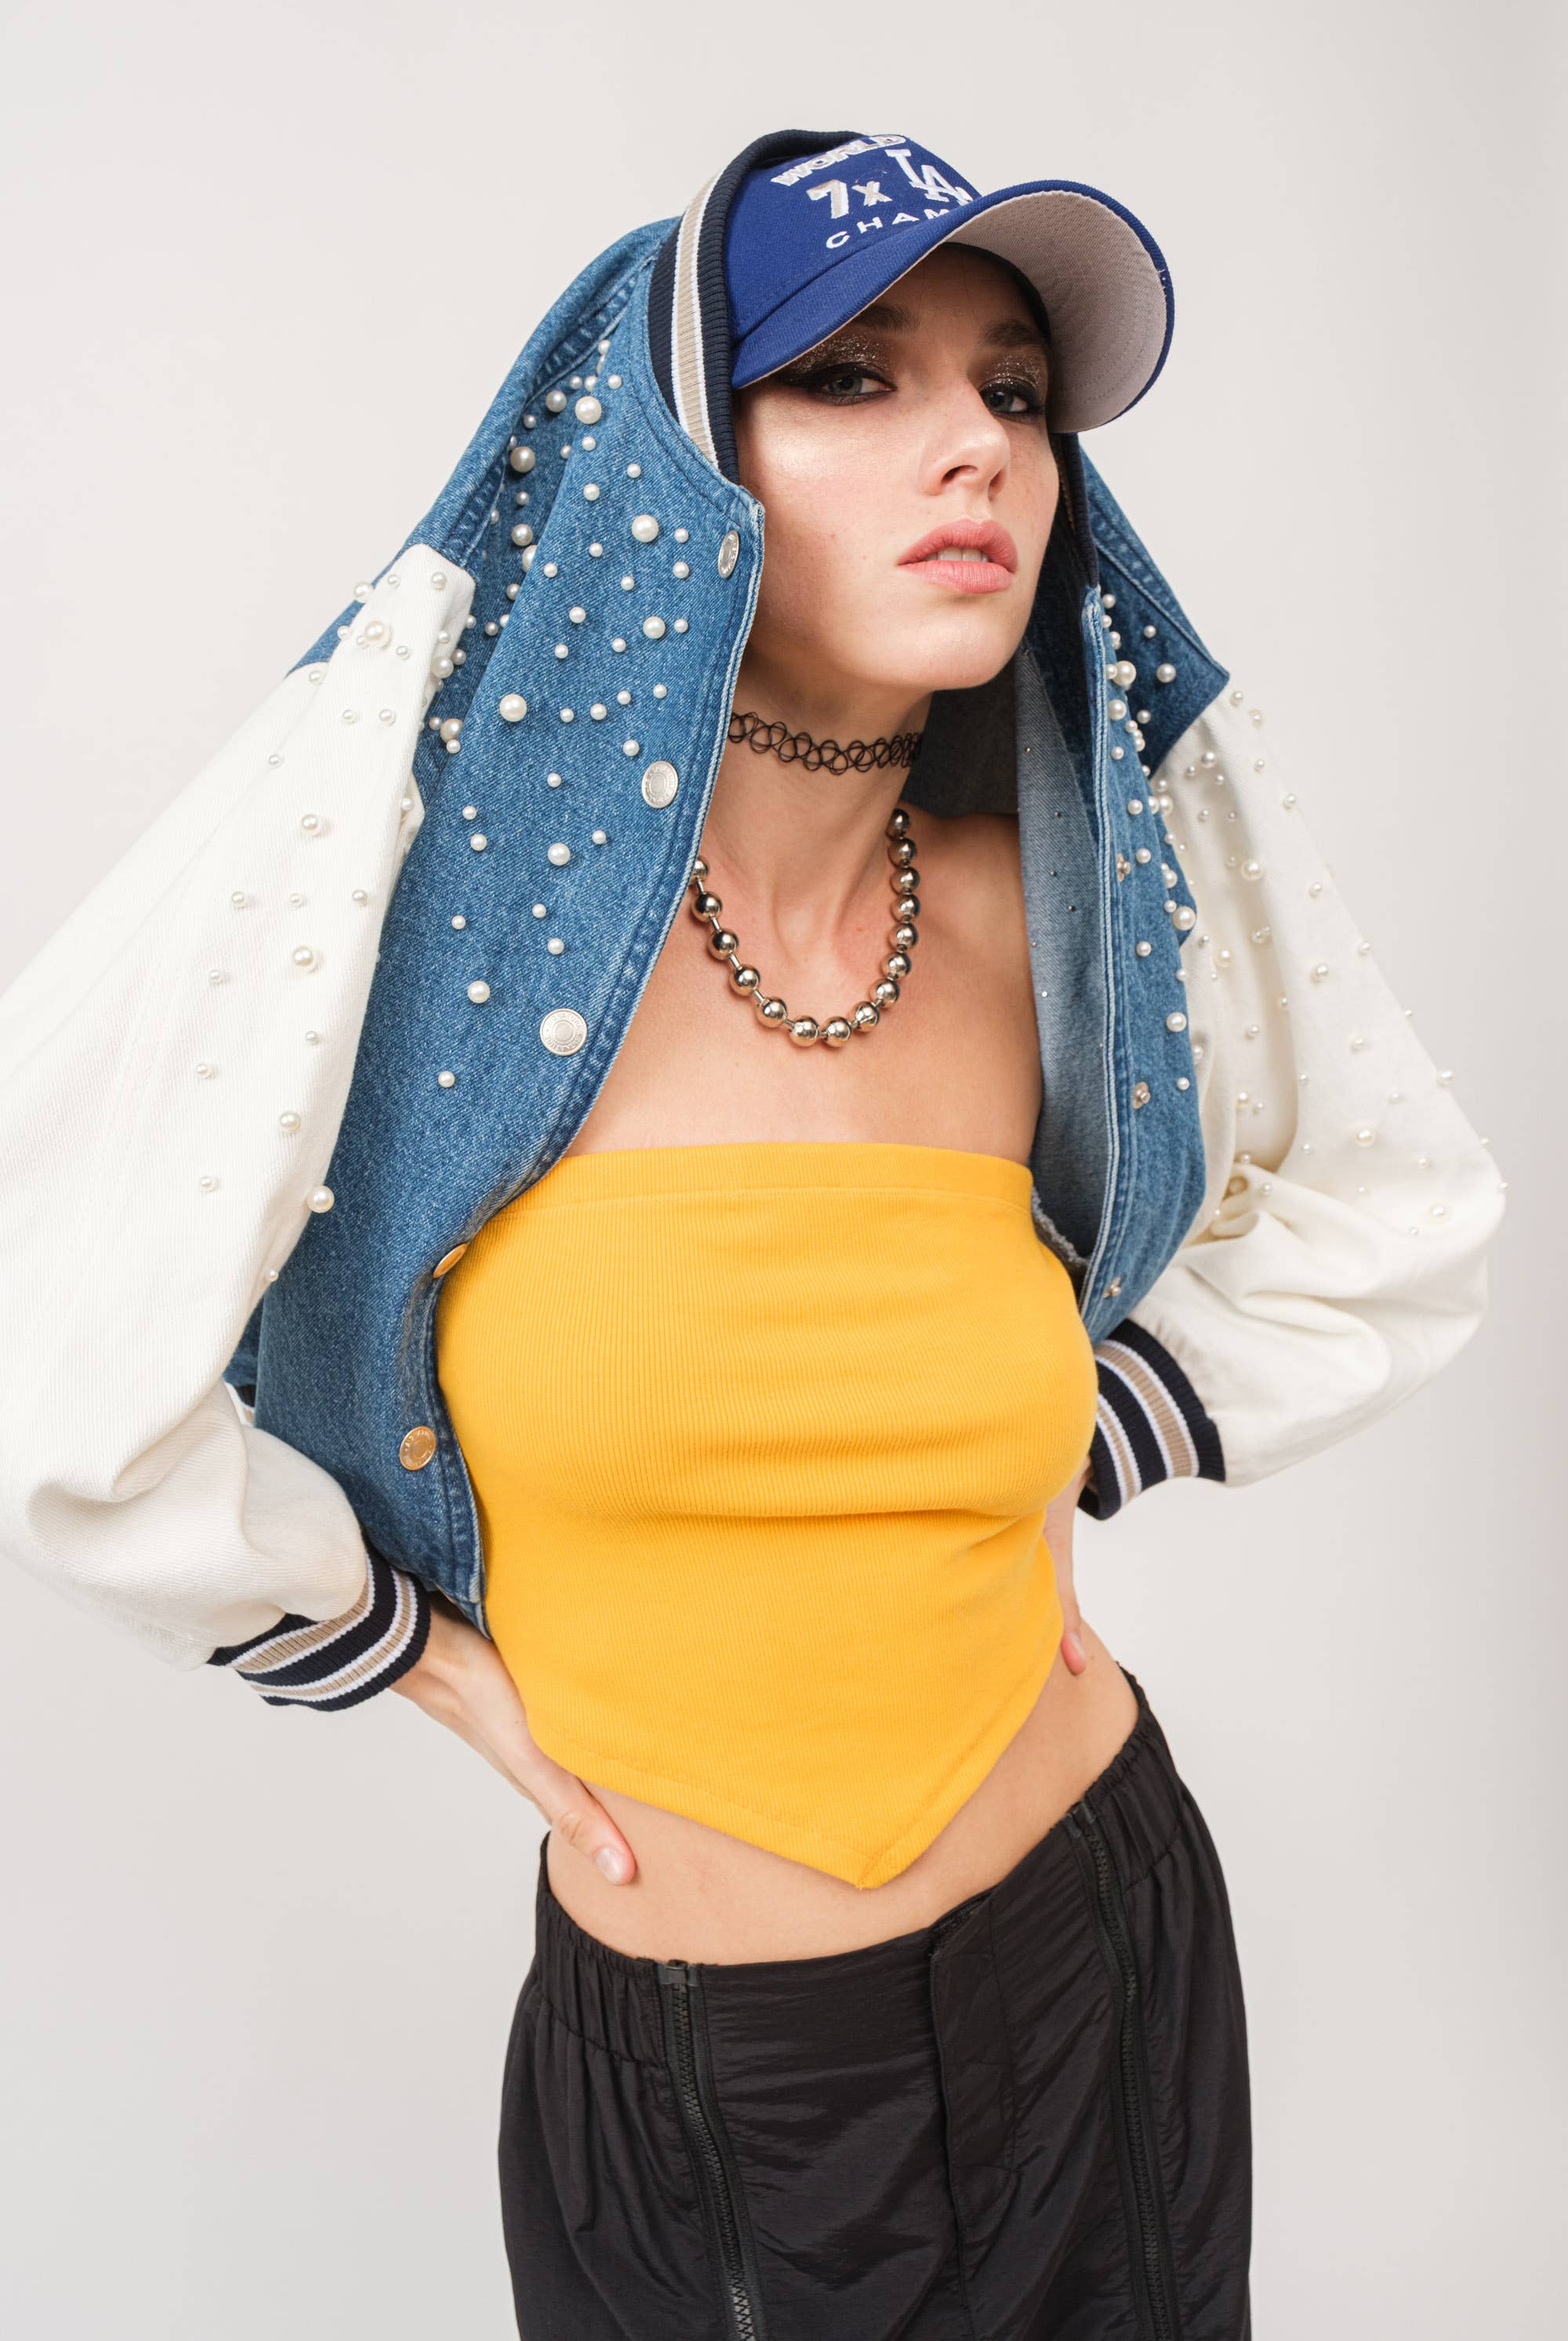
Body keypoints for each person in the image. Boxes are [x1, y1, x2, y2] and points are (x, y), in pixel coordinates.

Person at [0, 129, 1504, 2339]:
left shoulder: (1066, 922)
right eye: (855, 377)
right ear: (676, 464)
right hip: (712, 2092)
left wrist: (1086, 1422)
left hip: (1102, 1960)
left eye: (1014, 392)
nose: (975, 449)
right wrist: (403, 1651)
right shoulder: (427, 944)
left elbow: (1402, 1199)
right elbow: (54, 1317)